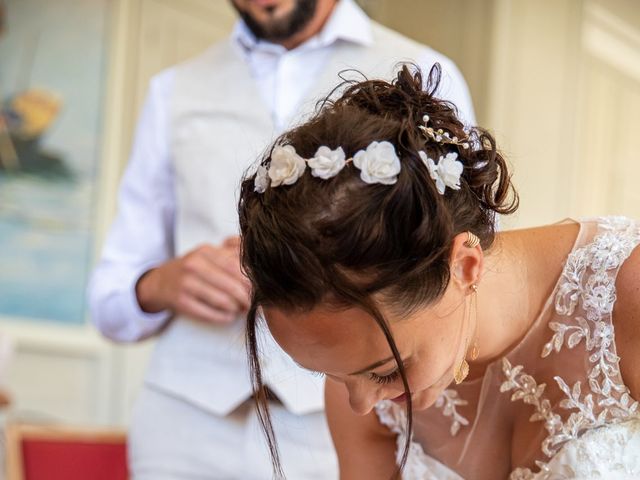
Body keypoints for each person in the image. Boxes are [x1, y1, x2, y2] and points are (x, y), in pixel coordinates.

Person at [88, 0, 475, 478]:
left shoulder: (423, 71)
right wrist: (160, 283)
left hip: (344, 421)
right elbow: (107, 300)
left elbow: (460, 271)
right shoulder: (174, 90)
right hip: (183, 422)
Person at [238, 64, 640, 480]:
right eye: (329, 374)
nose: (361, 404)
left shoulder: (629, 295)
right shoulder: (359, 385)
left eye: (387, 371)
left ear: (465, 266)